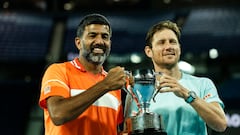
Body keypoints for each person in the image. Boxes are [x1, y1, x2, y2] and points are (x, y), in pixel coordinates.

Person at [125, 20, 227, 135]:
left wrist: (186, 94)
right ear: (149, 51)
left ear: (179, 48)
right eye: (161, 42)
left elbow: (221, 124)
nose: (168, 47)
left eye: (172, 42)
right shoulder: (136, 91)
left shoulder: (203, 84)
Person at [39, 13, 128, 135]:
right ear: (78, 43)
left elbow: (113, 129)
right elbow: (58, 114)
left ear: (110, 44)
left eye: (105, 36)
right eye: (92, 35)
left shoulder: (114, 85)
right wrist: (105, 85)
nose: (99, 41)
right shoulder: (58, 71)